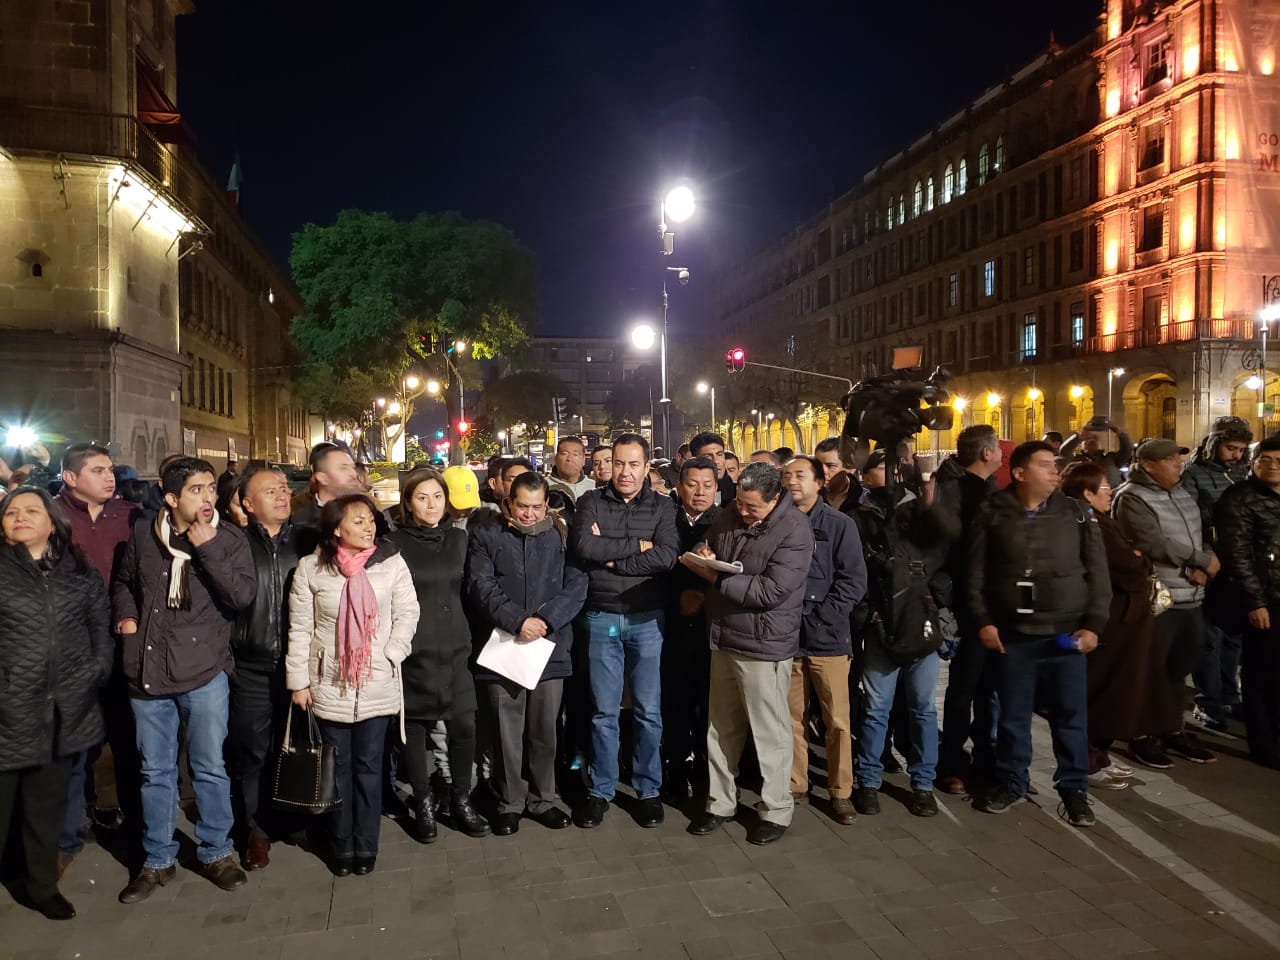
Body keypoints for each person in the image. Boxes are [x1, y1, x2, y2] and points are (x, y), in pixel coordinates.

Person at [110, 457, 257, 902]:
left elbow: (241, 597)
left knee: (209, 767)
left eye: (212, 488)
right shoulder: (143, 534)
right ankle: (157, 858)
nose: (208, 497)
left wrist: (208, 546)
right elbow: (123, 582)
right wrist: (127, 617)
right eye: (196, 490)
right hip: (148, 670)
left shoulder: (229, 538)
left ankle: (217, 851)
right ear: (171, 497)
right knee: (155, 771)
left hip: (204, 670)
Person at [966, 442, 1111, 827]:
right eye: (1045, 465)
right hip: (1014, 635)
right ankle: (1013, 782)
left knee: (1070, 716)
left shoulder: (1076, 513)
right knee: (1013, 717)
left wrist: (1094, 624)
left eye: (1055, 465)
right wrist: (983, 620)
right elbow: (975, 574)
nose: (1054, 471)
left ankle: (1074, 790)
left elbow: (1098, 573)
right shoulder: (992, 512)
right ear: (1018, 473)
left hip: (1065, 635)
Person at [286, 494, 418, 876]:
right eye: (358, 521)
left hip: (377, 681)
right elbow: (300, 628)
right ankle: (341, 844)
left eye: (371, 520)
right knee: (338, 768)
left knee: (370, 767)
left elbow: (408, 611)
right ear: (336, 528)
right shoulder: (311, 568)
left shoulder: (390, 563)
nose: (368, 526)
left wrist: (393, 651)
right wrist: (298, 681)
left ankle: (367, 844)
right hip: (330, 683)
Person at [684, 462, 814, 845]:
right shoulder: (730, 512)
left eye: (752, 507)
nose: (742, 511)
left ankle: (776, 808)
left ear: (775, 500)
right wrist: (702, 551)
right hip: (723, 635)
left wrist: (716, 577)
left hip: (764, 643)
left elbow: (770, 592)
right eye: (739, 503)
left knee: (769, 731)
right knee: (720, 727)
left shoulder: (795, 531)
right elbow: (709, 541)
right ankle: (719, 802)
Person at [0, 487, 113, 920]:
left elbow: (98, 623)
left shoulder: (78, 570)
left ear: (52, 520)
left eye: (31, 510)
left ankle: (41, 885)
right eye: (12, 512)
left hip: (63, 709)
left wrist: (97, 667)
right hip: (9, 708)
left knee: (45, 807)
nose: (20, 517)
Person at [466, 472, 588, 834]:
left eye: (538, 506)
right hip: (504, 647)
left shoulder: (563, 535)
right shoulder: (487, 535)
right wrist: (518, 620)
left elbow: (577, 585)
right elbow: (480, 585)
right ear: (508, 502)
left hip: (549, 648)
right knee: (506, 731)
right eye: (523, 506)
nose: (531, 515)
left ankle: (543, 799)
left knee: (544, 730)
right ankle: (509, 801)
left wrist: (546, 621)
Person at [568, 433, 679, 829]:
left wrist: (614, 560)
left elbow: (667, 556)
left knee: (649, 711)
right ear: (608, 465)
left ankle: (648, 788)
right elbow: (583, 546)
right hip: (601, 617)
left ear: (647, 466)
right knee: (603, 710)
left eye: (634, 464)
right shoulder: (590, 502)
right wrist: (639, 547)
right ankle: (601, 789)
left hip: (647, 618)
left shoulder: (664, 507)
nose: (625, 472)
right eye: (619, 463)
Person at [850, 456, 955, 818]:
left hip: (920, 624)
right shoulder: (859, 516)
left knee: (923, 709)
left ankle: (923, 783)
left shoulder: (921, 513)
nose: (890, 472)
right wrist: (867, 615)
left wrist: (936, 605)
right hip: (881, 626)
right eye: (880, 466)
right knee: (876, 709)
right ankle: (868, 781)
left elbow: (944, 555)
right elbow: (854, 572)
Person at [53, 442, 141, 871]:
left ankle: (130, 825)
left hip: (120, 643)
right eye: (97, 470)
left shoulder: (129, 516)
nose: (109, 476)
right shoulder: (51, 516)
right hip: (69, 648)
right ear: (71, 478)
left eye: (110, 469)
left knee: (126, 740)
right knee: (73, 746)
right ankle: (68, 836)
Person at [390, 470, 490, 844]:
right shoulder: (393, 543)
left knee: (464, 727)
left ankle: (461, 799)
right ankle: (424, 804)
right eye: (422, 498)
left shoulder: (459, 539)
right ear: (408, 503)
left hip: (457, 647)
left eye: (437, 497)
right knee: (413, 731)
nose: (431, 505)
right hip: (414, 651)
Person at [1113, 438, 1219, 767]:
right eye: (1171, 460)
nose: (1178, 465)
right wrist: (1199, 562)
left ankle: (1173, 727)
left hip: (1192, 595)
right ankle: (1141, 734)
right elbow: (1151, 542)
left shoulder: (1182, 492)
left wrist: (1206, 560)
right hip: (1161, 597)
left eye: (1179, 459)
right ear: (1148, 466)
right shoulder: (1132, 497)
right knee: (1150, 669)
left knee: (1179, 668)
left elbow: (1196, 533)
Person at [1059, 462, 1155, 791]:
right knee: (1099, 691)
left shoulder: (1099, 519)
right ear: (1086, 492)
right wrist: (1138, 557)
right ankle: (1086, 761)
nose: (1111, 491)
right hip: (1108, 620)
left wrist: (1137, 556)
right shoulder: (1089, 522)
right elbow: (1129, 564)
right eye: (1103, 487)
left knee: (1114, 691)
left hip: (1123, 618)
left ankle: (1099, 755)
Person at [780, 456, 865, 824]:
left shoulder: (839, 524)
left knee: (837, 722)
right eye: (786, 476)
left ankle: (840, 791)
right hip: (786, 637)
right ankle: (796, 783)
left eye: (800, 475)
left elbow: (852, 582)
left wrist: (824, 617)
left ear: (819, 482)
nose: (792, 482)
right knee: (790, 717)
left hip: (828, 638)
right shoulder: (777, 522)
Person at [228, 465, 301, 871]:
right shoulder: (233, 544)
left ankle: (294, 817)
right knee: (251, 751)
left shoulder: (307, 540)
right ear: (247, 504)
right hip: (250, 665)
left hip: (300, 665)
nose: (282, 495)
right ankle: (255, 831)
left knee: (296, 746)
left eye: (284, 489)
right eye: (270, 491)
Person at [932, 425, 1003, 795]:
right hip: (969, 604)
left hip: (988, 604)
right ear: (987, 453)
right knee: (965, 689)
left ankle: (986, 756)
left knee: (987, 689)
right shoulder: (961, 492)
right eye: (997, 448)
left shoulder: (984, 489)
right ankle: (953, 762)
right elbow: (956, 550)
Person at [1182, 416, 1252, 730]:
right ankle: (1208, 701)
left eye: (1241, 448)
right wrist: (1200, 559)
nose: (1236, 454)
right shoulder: (1194, 474)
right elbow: (1189, 519)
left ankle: (1229, 696)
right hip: (1211, 561)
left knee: (1233, 637)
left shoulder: (1244, 473)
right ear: (1215, 444)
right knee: (1209, 637)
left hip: (1239, 563)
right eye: (1230, 447)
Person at [1213, 437, 1280, 768]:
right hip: (1264, 599)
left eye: (1278, 460)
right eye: (1264, 459)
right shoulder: (1239, 497)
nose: (1271, 465)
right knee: (1262, 672)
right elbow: (1236, 554)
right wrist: (1255, 602)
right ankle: (1265, 744)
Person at [662, 456, 721, 802]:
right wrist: (677, 598)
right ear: (679, 486)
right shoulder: (665, 518)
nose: (700, 492)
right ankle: (675, 770)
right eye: (692, 484)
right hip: (673, 626)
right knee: (675, 703)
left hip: (714, 627)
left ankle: (706, 768)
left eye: (708, 485)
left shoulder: (726, 520)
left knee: (711, 705)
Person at [292, 443, 361, 554]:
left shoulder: (372, 514)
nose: (353, 474)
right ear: (322, 478)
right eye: (343, 468)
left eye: (353, 468)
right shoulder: (300, 522)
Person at [1060, 419, 1134, 488]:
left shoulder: (1111, 459)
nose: (1092, 440)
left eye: (1095, 438)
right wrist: (1079, 435)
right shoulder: (1076, 459)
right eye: (1088, 438)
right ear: (1081, 443)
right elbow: (1064, 451)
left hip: (1109, 495)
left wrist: (1118, 431)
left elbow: (1127, 449)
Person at [689, 431, 736, 506]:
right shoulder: (686, 495)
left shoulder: (739, 494)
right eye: (708, 457)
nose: (716, 461)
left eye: (719, 454)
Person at [548, 437, 595, 503]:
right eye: (564, 454)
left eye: (575, 454)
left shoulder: (594, 488)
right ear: (556, 459)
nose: (569, 458)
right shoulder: (542, 487)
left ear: (583, 460)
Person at [814, 437, 855, 513]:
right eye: (817, 465)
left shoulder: (865, 501)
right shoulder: (806, 498)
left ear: (851, 468)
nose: (823, 471)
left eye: (831, 466)